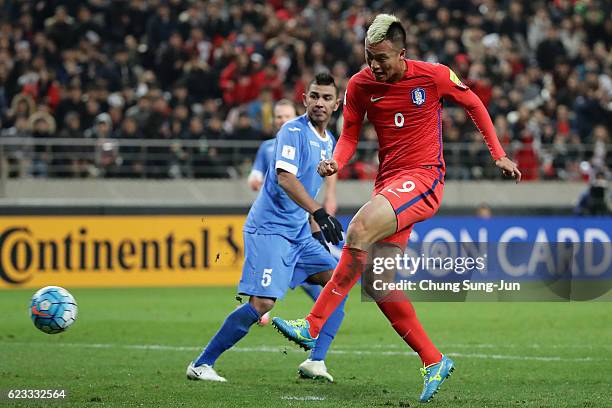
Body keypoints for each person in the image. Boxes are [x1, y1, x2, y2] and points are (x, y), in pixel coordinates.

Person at [271, 14, 521, 403]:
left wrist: (499, 154)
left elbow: (474, 104)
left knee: (357, 229)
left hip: (424, 179)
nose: (375, 65)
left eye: (383, 58)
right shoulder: (359, 85)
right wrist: (338, 159)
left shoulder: (433, 76)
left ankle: (313, 324)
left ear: (402, 53)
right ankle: (433, 359)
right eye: (370, 57)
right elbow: (350, 133)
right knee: (378, 282)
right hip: (389, 184)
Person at [187, 73, 347, 383]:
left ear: (336, 104)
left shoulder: (329, 141)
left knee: (337, 284)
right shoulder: (291, 131)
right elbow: (287, 179)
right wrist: (318, 211)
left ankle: (316, 361)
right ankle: (201, 364)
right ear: (305, 99)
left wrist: (315, 227)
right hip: (270, 230)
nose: (319, 102)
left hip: (299, 232)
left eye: (326, 98)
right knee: (262, 304)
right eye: (314, 95)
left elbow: (310, 188)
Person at [247, 99, 337, 322]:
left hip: (301, 221)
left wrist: (327, 200)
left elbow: (317, 183)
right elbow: (256, 176)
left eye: (286, 116)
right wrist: (256, 181)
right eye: (278, 116)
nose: (282, 120)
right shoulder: (267, 147)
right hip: (272, 222)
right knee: (269, 289)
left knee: (326, 275)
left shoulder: (309, 139)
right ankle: (263, 307)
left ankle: (318, 320)